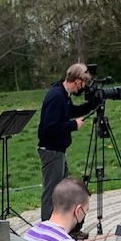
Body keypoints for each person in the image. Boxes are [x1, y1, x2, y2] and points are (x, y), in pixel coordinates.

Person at [37, 64, 95, 222]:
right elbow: (48, 128)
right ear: (77, 81)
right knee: (52, 192)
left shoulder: (62, 94)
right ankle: (47, 228)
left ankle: (63, 226)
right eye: (82, 84)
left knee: (62, 191)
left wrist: (91, 105)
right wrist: (72, 125)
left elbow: (71, 111)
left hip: (58, 150)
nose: (82, 88)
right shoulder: (56, 96)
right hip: (51, 150)